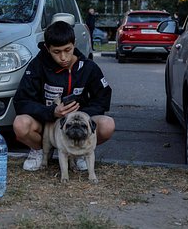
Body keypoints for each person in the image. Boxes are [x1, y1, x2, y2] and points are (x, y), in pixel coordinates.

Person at [13, 20, 115, 172]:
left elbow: (103, 98)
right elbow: (21, 101)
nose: (63, 57)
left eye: (68, 50)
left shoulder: (88, 67)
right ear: (47, 48)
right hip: (46, 124)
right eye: (57, 52)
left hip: (78, 122)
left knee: (108, 125)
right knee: (20, 124)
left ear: (74, 44)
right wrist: (52, 112)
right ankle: (39, 151)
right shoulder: (37, 65)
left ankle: (81, 152)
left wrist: (81, 115)